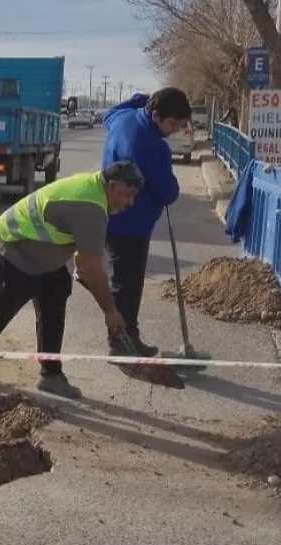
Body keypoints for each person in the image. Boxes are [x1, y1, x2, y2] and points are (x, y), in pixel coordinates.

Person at [0, 161, 144, 400]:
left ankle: (50, 375)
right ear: (113, 186)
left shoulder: (94, 190)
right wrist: (111, 312)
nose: (130, 202)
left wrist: (82, 269)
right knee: (2, 310)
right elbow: (93, 269)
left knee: (56, 292)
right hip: (14, 246)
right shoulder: (91, 207)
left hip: (42, 254)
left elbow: (82, 257)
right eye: (129, 194)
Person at [100, 87, 192, 358]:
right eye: (172, 123)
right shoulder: (150, 146)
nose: (174, 130)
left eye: (180, 124)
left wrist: (141, 98)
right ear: (155, 116)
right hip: (131, 223)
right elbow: (169, 192)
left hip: (110, 213)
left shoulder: (123, 118)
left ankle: (126, 337)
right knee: (127, 286)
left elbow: (109, 113)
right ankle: (122, 344)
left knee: (122, 281)